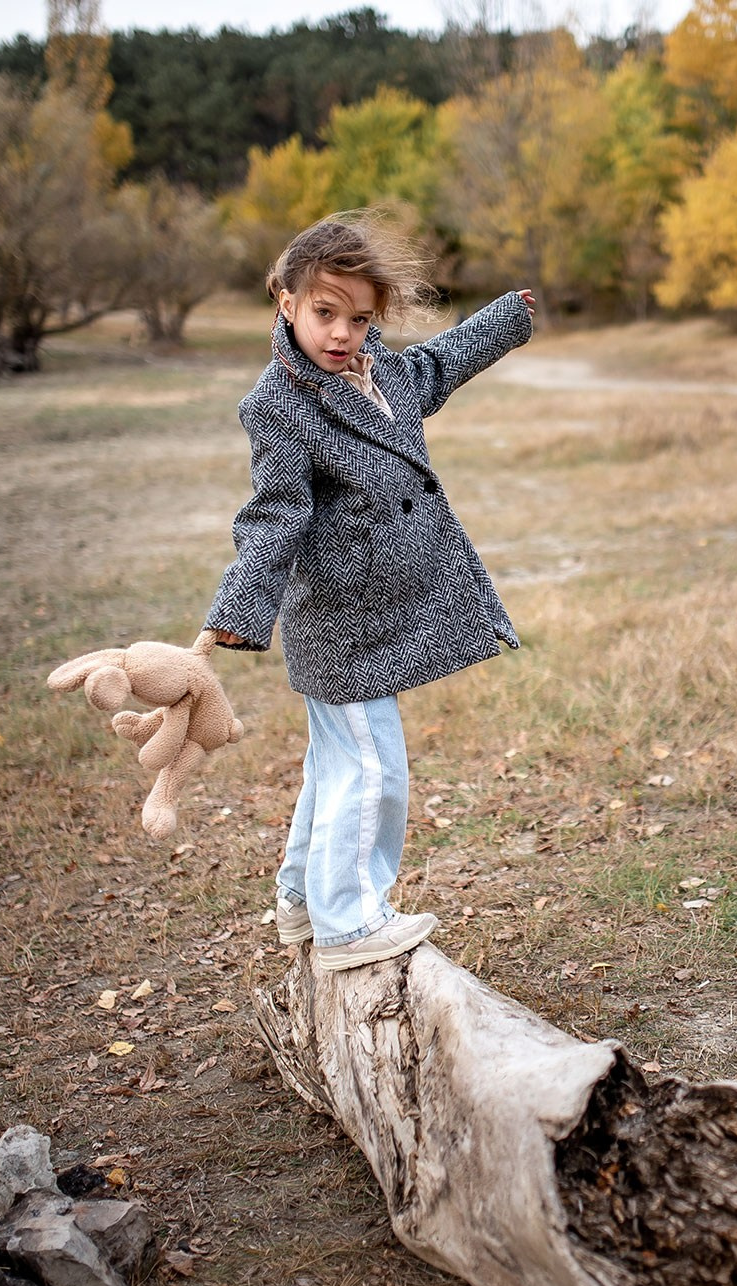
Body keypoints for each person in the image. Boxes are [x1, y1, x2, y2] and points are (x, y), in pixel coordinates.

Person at [203, 211, 534, 971]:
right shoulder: (279, 404)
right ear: (285, 301)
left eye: (358, 317)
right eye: (325, 313)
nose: (342, 332)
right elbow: (274, 516)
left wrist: (505, 321)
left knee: (332, 769)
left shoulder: (380, 371)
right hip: (343, 625)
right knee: (372, 768)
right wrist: (238, 609)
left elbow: (439, 364)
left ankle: (297, 899)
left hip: (384, 613)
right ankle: (348, 923)